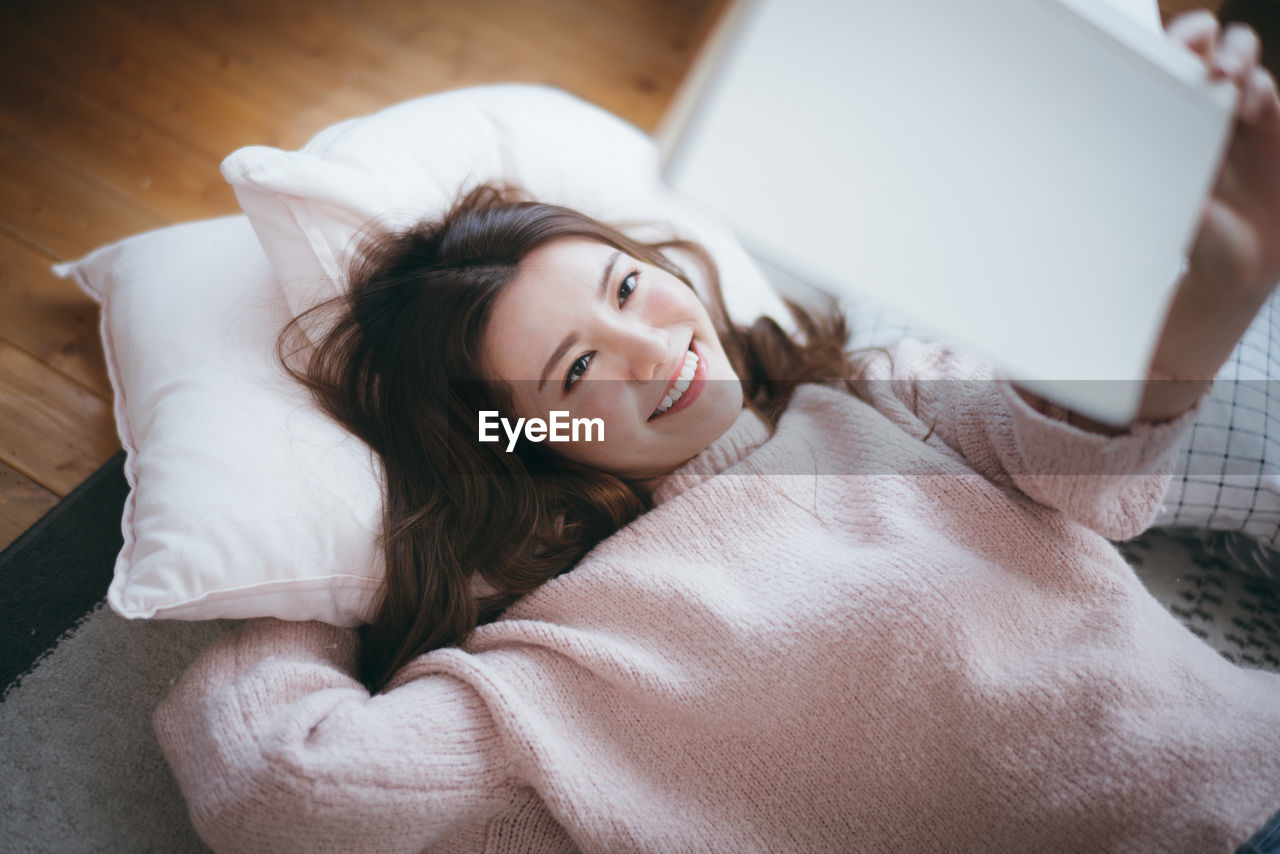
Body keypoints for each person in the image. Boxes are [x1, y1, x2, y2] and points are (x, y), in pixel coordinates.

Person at [156, 12, 1280, 853]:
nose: (653, 345)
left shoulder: (883, 395)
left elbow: (1089, 471)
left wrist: (1198, 309)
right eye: (581, 365)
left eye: (627, 286)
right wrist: (309, 587)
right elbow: (287, 786)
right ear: (522, 431)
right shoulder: (567, 653)